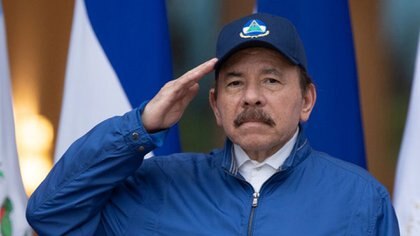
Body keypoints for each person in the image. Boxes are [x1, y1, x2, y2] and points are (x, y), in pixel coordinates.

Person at [26, 13, 399, 235]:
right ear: (216, 106)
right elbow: (50, 212)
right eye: (235, 82)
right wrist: (140, 126)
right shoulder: (159, 187)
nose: (251, 96)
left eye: (270, 80)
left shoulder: (361, 200)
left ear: (306, 100)